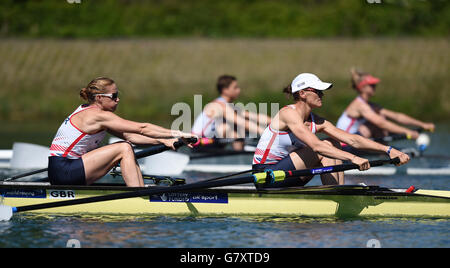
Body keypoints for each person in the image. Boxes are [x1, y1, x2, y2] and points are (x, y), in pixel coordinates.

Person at [252, 73, 410, 187]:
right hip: (266, 174)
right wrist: (353, 158)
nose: (321, 95)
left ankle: (336, 192)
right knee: (323, 147)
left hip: (289, 174)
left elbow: (352, 139)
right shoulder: (288, 113)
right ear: (302, 93)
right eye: (317, 91)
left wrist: (389, 150)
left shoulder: (318, 121)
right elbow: (317, 147)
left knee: (333, 143)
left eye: (322, 91)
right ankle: (334, 193)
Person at [48, 77, 197, 187]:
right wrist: (177, 133)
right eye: (114, 96)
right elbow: (142, 128)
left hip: (66, 169)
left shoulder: (91, 112)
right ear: (99, 98)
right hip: (64, 170)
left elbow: (130, 136)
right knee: (124, 148)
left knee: (126, 146)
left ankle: (140, 191)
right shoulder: (96, 116)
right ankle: (138, 197)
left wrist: (164, 141)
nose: (118, 99)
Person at [336, 69, 435, 139]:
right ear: (362, 88)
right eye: (372, 85)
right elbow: (381, 123)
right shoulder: (359, 105)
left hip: (355, 142)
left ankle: (385, 151)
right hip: (344, 144)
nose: (375, 87)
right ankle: (384, 152)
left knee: (381, 117)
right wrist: (408, 132)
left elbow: (397, 116)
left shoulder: (370, 105)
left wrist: (422, 124)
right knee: (376, 123)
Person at [191, 75, 271, 151]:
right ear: (225, 90)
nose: (239, 90)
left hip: (212, 141)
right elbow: (243, 123)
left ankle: (240, 154)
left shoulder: (228, 106)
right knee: (230, 126)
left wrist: (276, 122)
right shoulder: (220, 106)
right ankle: (240, 156)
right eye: (235, 87)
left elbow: (254, 116)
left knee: (234, 126)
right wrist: (267, 134)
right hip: (199, 143)